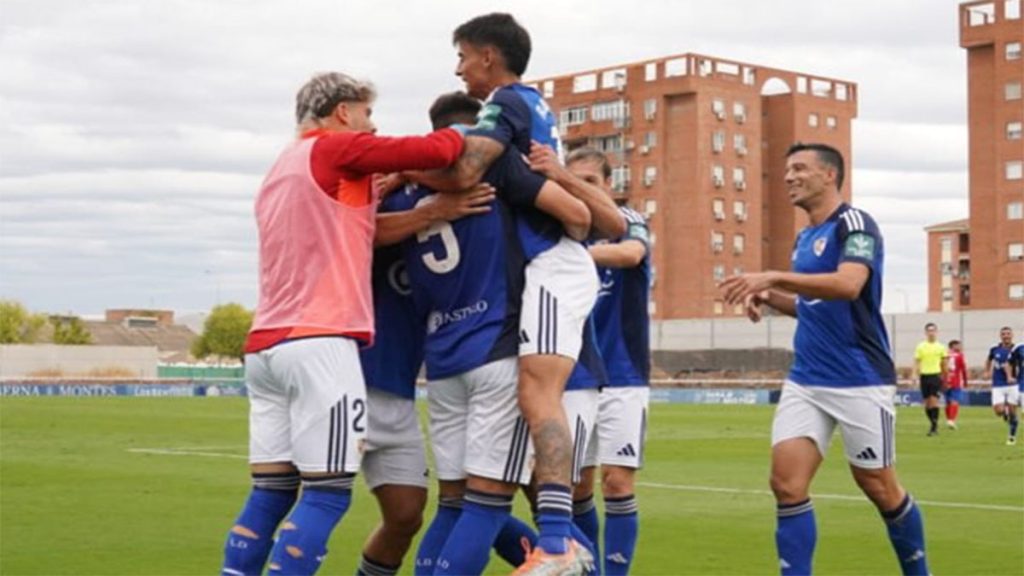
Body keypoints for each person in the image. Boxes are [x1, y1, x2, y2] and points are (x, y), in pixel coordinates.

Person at [220, 72, 466, 576]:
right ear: (341, 112)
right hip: (321, 343)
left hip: (266, 345)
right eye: (366, 114)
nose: (371, 128)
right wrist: (496, 121)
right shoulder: (336, 149)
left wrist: (386, 188)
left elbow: (345, 218)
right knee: (328, 495)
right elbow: (438, 148)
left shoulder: (280, 168)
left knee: (270, 494)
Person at [409, 13, 624, 574]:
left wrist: (399, 170)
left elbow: (582, 219)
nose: (458, 67)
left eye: (461, 55)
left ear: (486, 55)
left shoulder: (504, 109)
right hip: (519, 297)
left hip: (550, 271)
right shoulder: (520, 122)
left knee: (536, 395)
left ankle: (557, 544)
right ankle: (561, 543)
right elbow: (583, 215)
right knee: (484, 485)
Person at [719, 142, 929, 576]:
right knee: (786, 485)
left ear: (829, 175)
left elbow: (849, 284)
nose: (789, 177)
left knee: (879, 487)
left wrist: (774, 275)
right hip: (806, 380)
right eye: (787, 170)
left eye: (799, 168)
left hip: (858, 379)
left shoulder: (855, 224)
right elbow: (814, 305)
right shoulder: (805, 237)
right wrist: (771, 296)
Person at [403, 92, 586, 576]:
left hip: (441, 360)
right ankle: (572, 557)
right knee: (486, 504)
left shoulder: (405, 192)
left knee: (453, 502)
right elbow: (581, 218)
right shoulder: (493, 166)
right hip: (495, 347)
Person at [355, 178, 496, 576]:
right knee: (316, 498)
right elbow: (355, 230)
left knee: (406, 515)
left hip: (399, 392)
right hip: (349, 378)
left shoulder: (468, 231)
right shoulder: (394, 205)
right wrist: (425, 207)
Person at [560, 148, 652, 576]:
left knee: (616, 482)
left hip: (624, 374)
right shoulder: (562, 226)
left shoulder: (628, 221)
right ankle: (588, 569)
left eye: (590, 181)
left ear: (608, 187)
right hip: (573, 376)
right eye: (572, 179)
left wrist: (571, 258)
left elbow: (632, 254)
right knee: (575, 488)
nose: (579, 188)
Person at [984, 327, 1018, 445]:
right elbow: (988, 360)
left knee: (1013, 412)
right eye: (1004, 334)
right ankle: (1006, 413)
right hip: (998, 384)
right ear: (1000, 336)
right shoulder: (994, 349)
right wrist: (987, 371)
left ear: (1012, 335)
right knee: (998, 411)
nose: (1006, 336)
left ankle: (1011, 436)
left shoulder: (1016, 349)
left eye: (1008, 334)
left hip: (1013, 384)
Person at [913, 323, 946, 436]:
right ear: (926, 333)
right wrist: (914, 375)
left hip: (935, 375)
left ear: (936, 332)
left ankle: (934, 427)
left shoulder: (941, 347)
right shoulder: (921, 346)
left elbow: (944, 364)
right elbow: (917, 362)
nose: (931, 333)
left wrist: (946, 377)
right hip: (924, 376)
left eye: (933, 330)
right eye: (929, 331)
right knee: (927, 404)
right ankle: (932, 423)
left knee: (934, 401)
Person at [943, 339, 968, 430]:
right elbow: (963, 369)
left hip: (945, 382)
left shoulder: (944, 355)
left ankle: (948, 420)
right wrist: (965, 381)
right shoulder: (959, 356)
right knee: (955, 401)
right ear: (953, 346)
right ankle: (951, 420)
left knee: (948, 402)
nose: (960, 347)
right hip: (956, 382)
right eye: (958, 345)